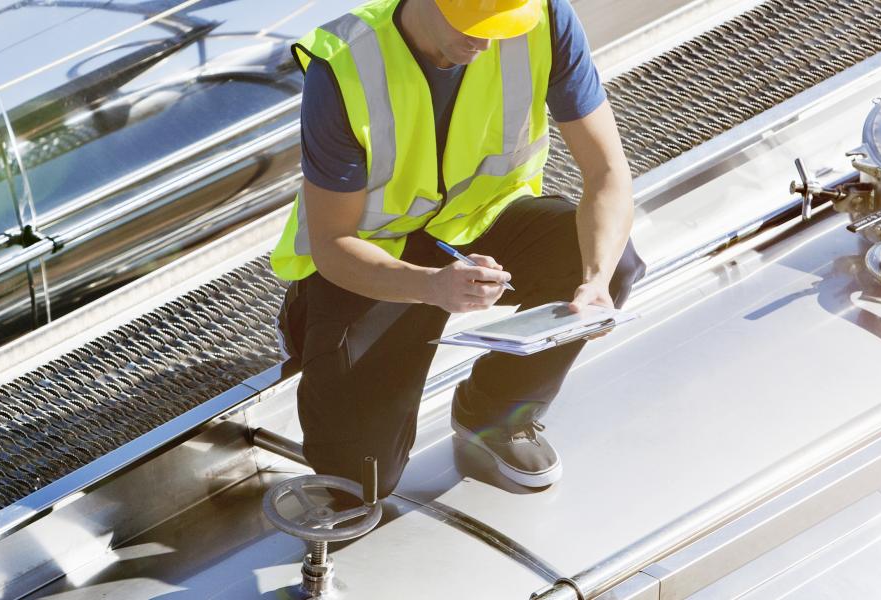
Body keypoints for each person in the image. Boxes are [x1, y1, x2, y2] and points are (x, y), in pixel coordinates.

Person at [272, 0, 643, 502]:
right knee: (360, 481)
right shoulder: (344, 65)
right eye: (471, 24)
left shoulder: (544, 17)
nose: (487, 43)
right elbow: (333, 245)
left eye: (503, 26)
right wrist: (431, 286)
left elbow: (607, 175)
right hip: (375, 253)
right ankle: (308, 315)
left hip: (480, 219)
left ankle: (493, 414)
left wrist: (595, 282)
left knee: (611, 259)